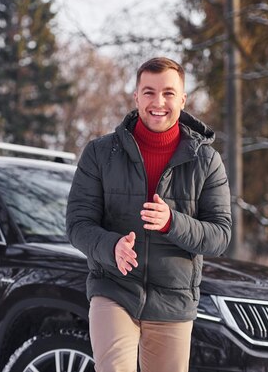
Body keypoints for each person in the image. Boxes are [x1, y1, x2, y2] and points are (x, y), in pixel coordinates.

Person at [66, 57, 232, 372]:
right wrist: (110, 246)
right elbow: (77, 224)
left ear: (183, 100)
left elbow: (220, 236)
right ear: (136, 97)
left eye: (169, 93)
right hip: (114, 288)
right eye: (149, 92)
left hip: (174, 300)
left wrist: (173, 222)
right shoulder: (101, 154)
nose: (159, 102)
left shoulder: (207, 162)